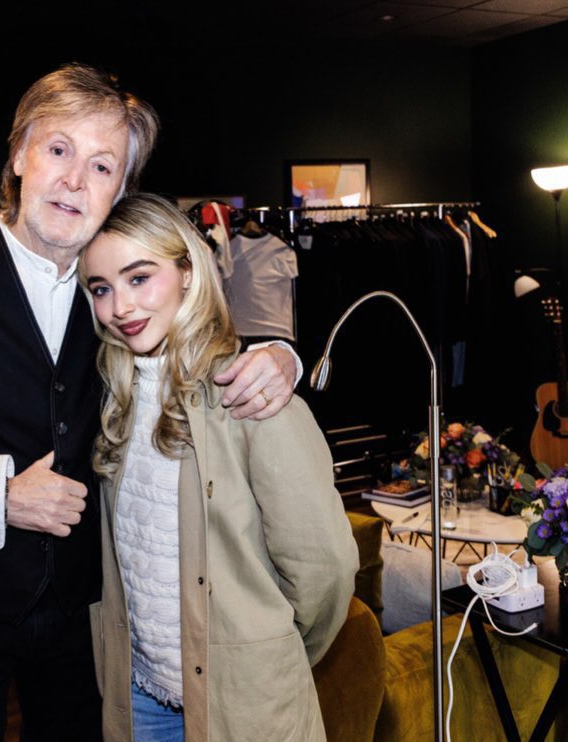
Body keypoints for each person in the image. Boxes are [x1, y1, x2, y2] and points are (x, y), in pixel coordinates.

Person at [0, 64, 300, 741]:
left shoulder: (115, 294)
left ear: (120, 191)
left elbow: (196, 340)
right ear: (20, 154)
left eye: (103, 165)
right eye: (59, 150)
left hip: (81, 609)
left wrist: (280, 354)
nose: (76, 180)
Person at [79, 193, 358, 741]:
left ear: (187, 271)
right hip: (139, 693)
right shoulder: (111, 399)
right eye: (101, 289)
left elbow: (325, 567)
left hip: (243, 702)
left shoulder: (251, 396)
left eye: (139, 278)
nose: (120, 307)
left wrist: (265, 652)